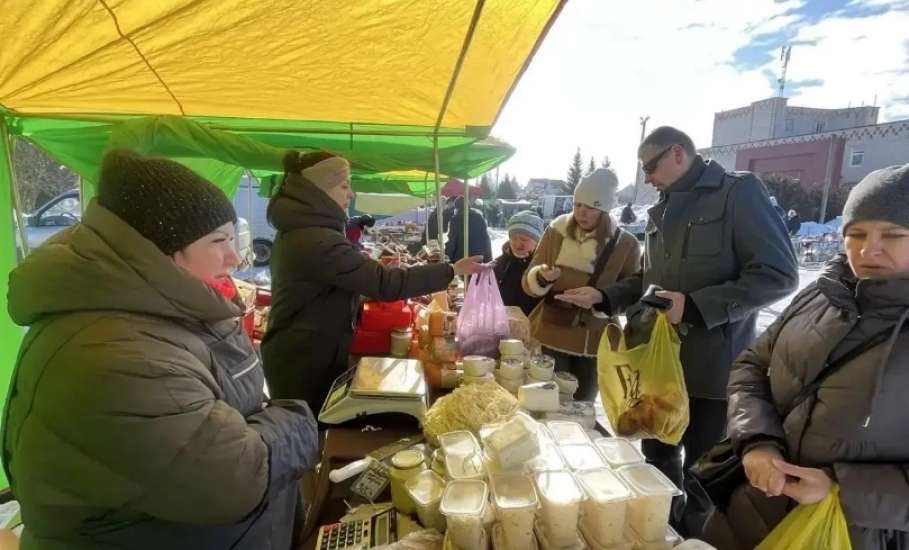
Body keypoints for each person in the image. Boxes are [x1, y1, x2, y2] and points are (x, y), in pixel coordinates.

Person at [1, 149, 319, 549]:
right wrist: (298, 422)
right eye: (217, 241)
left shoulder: (155, 313)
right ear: (159, 251)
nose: (234, 258)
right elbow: (229, 477)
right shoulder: (118, 357)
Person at [595, 126, 799, 513]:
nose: (648, 178)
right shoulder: (664, 205)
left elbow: (778, 274)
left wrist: (695, 306)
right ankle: (657, 529)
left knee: (703, 477)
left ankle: (691, 538)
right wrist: (605, 296)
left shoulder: (738, 193)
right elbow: (650, 280)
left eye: (650, 167)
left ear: (677, 153)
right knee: (656, 463)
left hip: (710, 372)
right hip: (658, 366)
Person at [705, 164, 909, 550]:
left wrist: (842, 488)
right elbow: (751, 366)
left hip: (851, 534)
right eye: (857, 234)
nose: (868, 250)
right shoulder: (820, 295)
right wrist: (756, 442)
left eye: (894, 235)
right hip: (748, 515)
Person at [262, 151, 483, 413]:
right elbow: (385, 283)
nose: (351, 194)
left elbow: (325, 288)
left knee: (316, 431)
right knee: (309, 436)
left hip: (305, 350)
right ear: (318, 190)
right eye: (344, 186)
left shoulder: (309, 230)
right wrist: (451, 269)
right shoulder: (316, 238)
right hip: (304, 360)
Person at [522, 168, 642, 400]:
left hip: (594, 340)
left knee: (582, 405)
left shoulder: (626, 244)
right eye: (577, 205)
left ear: (605, 209)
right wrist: (542, 277)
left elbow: (631, 293)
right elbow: (528, 282)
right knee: (546, 401)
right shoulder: (556, 231)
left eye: (590, 207)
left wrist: (601, 296)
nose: (581, 213)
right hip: (551, 331)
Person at [493, 210, 546, 316]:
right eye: (513, 238)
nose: (518, 244)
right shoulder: (499, 263)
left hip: (533, 324)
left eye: (524, 239)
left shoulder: (544, 266)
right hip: (503, 322)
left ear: (537, 241)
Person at [445, 195, 493, 262]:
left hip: (462, 260)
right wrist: (488, 259)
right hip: (479, 259)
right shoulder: (479, 217)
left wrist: (447, 257)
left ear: (457, 208)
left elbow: (452, 242)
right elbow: (486, 239)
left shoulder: (455, 220)